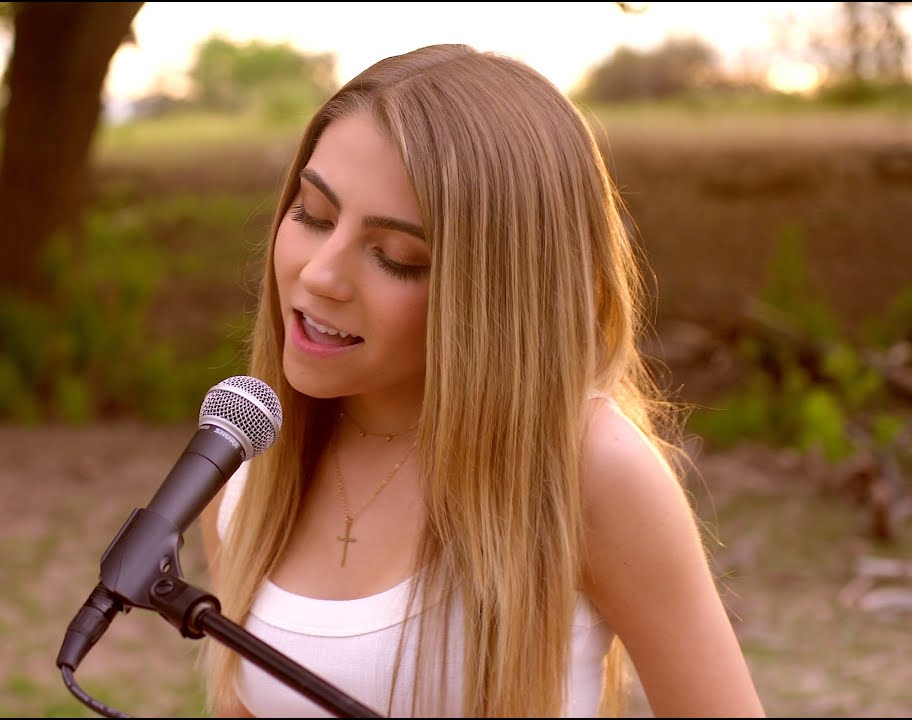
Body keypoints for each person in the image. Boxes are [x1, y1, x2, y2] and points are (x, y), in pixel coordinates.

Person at [198, 44, 765, 718]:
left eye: (397, 257)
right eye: (313, 215)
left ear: (499, 292)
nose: (320, 274)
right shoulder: (243, 460)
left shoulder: (586, 467)